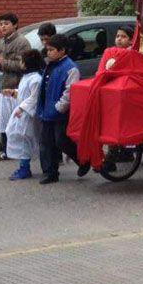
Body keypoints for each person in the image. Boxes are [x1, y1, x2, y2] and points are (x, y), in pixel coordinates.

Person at [37, 34, 88, 184]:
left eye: (52, 50)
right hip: (47, 111)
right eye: (48, 49)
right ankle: (50, 172)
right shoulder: (50, 65)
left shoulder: (70, 68)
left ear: (62, 51)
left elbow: (69, 92)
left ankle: (83, 160)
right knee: (46, 143)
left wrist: (59, 108)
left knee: (61, 141)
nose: (49, 52)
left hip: (60, 112)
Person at [0, 13, 32, 162]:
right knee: (4, 122)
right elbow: (3, 66)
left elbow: (23, 65)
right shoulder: (3, 42)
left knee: (17, 123)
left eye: (6, 23)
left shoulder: (22, 42)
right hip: (5, 86)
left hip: (17, 89)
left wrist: (2, 63)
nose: (3, 26)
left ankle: (21, 153)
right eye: (1, 24)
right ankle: (6, 152)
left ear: (15, 25)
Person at [4, 49, 44, 180]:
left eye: (22, 61)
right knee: (20, 137)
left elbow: (34, 98)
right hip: (22, 113)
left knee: (24, 139)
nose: (20, 63)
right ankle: (23, 166)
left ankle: (25, 168)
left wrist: (22, 108)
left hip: (27, 115)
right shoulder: (27, 77)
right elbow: (24, 93)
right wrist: (14, 92)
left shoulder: (36, 79)